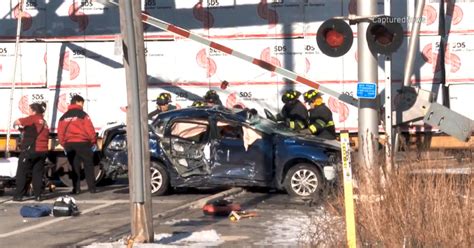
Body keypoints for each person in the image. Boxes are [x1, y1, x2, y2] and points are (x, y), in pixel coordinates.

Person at [58, 95, 97, 194]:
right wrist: (93, 141)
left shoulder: (63, 117)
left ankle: (76, 189)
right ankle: (92, 188)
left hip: (70, 144)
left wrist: (64, 144)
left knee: (74, 167)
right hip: (83, 143)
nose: (83, 106)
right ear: (78, 102)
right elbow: (90, 129)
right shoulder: (83, 115)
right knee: (88, 165)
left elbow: (60, 133)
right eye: (82, 103)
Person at [12, 102, 49, 202]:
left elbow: (17, 121)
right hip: (43, 151)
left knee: (22, 172)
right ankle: (38, 195)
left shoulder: (32, 118)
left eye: (29, 110)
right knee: (37, 173)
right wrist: (23, 130)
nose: (28, 112)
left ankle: (19, 195)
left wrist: (14, 124)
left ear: (34, 111)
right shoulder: (44, 122)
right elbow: (34, 132)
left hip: (31, 150)